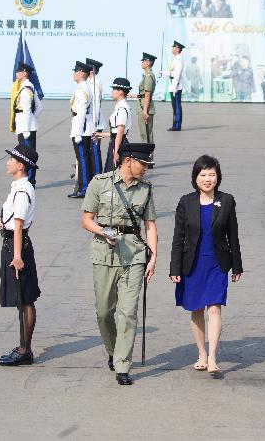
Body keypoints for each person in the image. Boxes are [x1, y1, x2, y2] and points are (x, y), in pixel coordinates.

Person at [81, 143, 158, 386]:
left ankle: (123, 364)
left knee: (128, 312)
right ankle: (113, 350)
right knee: (104, 311)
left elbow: (150, 225)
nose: (145, 169)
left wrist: (153, 256)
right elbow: (86, 219)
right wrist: (101, 231)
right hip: (104, 252)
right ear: (128, 161)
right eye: (143, 164)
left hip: (134, 254)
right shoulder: (99, 183)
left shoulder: (145, 189)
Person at [170, 155, 243, 374]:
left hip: (217, 263)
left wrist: (237, 265)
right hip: (191, 264)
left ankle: (212, 357)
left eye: (212, 174)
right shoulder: (186, 202)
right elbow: (178, 237)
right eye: (203, 175)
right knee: (196, 309)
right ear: (195, 178)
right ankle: (201, 352)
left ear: (218, 177)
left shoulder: (227, 201)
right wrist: (174, 268)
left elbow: (233, 235)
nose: (207, 179)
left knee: (214, 307)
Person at [0, 144, 41, 366]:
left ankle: (25, 350)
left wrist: (18, 256)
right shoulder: (19, 187)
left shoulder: (22, 191)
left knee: (25, 300)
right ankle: (24, 346)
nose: (8, 162)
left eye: (11, 159)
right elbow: (9, 222)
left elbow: (18, 226)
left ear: (20, 165)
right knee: (22, 299)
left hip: (16, 246)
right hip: (13, 243)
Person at [10, 62, 43, 186]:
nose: (16, 73)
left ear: (24, 73)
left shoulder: (26, 88)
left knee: (26, 156)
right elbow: (39, 107)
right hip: (26, 125)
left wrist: (27, 127)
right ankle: (29, 180)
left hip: (26, 128)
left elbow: (28, 109)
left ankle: (29, 181)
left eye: (18, 71)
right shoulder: (28, 87)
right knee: (25, 155)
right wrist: (32, 121)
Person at [68, 60, 93, 198]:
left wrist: (78, 132)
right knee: (84, 158)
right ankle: (84, 186)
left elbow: (82, 111)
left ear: (82, 73)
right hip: (83, 126)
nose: (74, 74)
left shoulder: (82, 89)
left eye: (76, 71)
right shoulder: (85, 87)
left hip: (81, 128)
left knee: (83, 159)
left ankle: (84, 188)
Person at [97, 78, 133, 172]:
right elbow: (116, 132)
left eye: (114, 90)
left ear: (120, 92)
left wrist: (116, 151)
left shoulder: (122, 108)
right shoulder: (120, 106)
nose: (112, 92)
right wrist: (101, 134)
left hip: (118, 144)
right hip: (116, 142)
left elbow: (120, 132)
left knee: (113, 173)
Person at [86, 58, 106, 176]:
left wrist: (94, 124)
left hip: (95, 122)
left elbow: (96, 105)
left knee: (94, 149)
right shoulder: (90, 82)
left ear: (92, 70)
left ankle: (98, 174)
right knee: (91, 150)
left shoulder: (95, 84)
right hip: (91, 121)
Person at [132, 52, 156, 143]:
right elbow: (144, 94)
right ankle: (147, 156)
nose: (141, 63)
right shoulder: (147, 75)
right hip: (144, 105)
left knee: (145, 135)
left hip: (145, 107)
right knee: (145, 134)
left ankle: (147, 157)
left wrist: (145, 111)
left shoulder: (148, 76)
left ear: (148, 63)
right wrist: (134, 95)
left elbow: (147, 94)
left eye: (143, 61)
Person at [162, 41, 185, 131]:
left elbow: (177, 74)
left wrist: (174, 86)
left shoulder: (178, 60)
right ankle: (175, 124)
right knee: (174, 106)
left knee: (177, 106)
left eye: (174, 47)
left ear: (178, 49)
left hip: (176, 86)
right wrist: (163, 73)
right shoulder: (175, 59)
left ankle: (177, 125)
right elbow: (173, 72)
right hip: (173, 85)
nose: (172, 49)